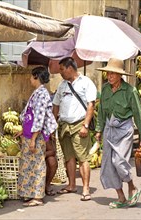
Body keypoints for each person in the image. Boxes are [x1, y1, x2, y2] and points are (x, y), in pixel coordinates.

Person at [95, 58, 141, 209]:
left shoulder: (129, 91)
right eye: (108, 73)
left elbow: (138, 114)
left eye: (113, 73)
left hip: (124, 130)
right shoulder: (105, 89)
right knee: (108, 165)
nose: (110, 76)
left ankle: (132, 187)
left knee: (119, 162)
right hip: (109, 129)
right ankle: (121, 196)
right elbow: (101, 111)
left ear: (120, 75)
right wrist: (99, 129)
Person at [52, 57, 97, 201]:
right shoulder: (62, 85)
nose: (60, 72)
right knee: (69, 157)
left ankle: (85, 188)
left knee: (83, 158)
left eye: (61, 69)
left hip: (79, 124)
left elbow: (91, 105)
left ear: (70, 68)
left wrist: (85, 125)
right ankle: (71, 185)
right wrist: (53, 125)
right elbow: (56, 105)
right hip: (64, 125)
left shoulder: (86, 83)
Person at [16, 66, 58, 207]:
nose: (29, 79)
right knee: (29, 165)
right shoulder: (37, 92)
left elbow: (39, 119)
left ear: (36, 77)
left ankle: (38, 197)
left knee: (38, 165)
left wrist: (33, 139)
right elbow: (30, 115)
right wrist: (23, 131)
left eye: (31, 76)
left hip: (36, 136)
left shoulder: (41, 94)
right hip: (29, 135)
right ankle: (30, 193)